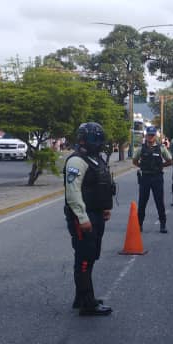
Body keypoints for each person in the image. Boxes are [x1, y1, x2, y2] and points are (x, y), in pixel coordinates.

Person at [64, 122, 114, 316]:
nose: (99, 142)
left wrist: (104, 209)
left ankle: (82, 297)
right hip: (83, 217)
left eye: (100, 138)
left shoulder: (94, 159)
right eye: (95, 138)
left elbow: (99, 186)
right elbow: (73, 192)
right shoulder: (77, 161)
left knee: (89, 257)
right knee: (85, 258)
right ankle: (88, 304)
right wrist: (83, 218)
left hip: (95, 213)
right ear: (83, 139)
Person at [133, 126, 172, 233]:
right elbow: (135, 160)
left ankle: (162, 225)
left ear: (155, 136)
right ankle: (139, 224)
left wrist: (161, 166)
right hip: (145, 177)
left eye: (152, 135)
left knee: (159, 202)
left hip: (157, 178)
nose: (150, 137)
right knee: (142, 203)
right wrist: (142, 166)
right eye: (149, 135)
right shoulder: (141, 148)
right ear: (146, 135)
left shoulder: (161, 148)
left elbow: (170, 160)